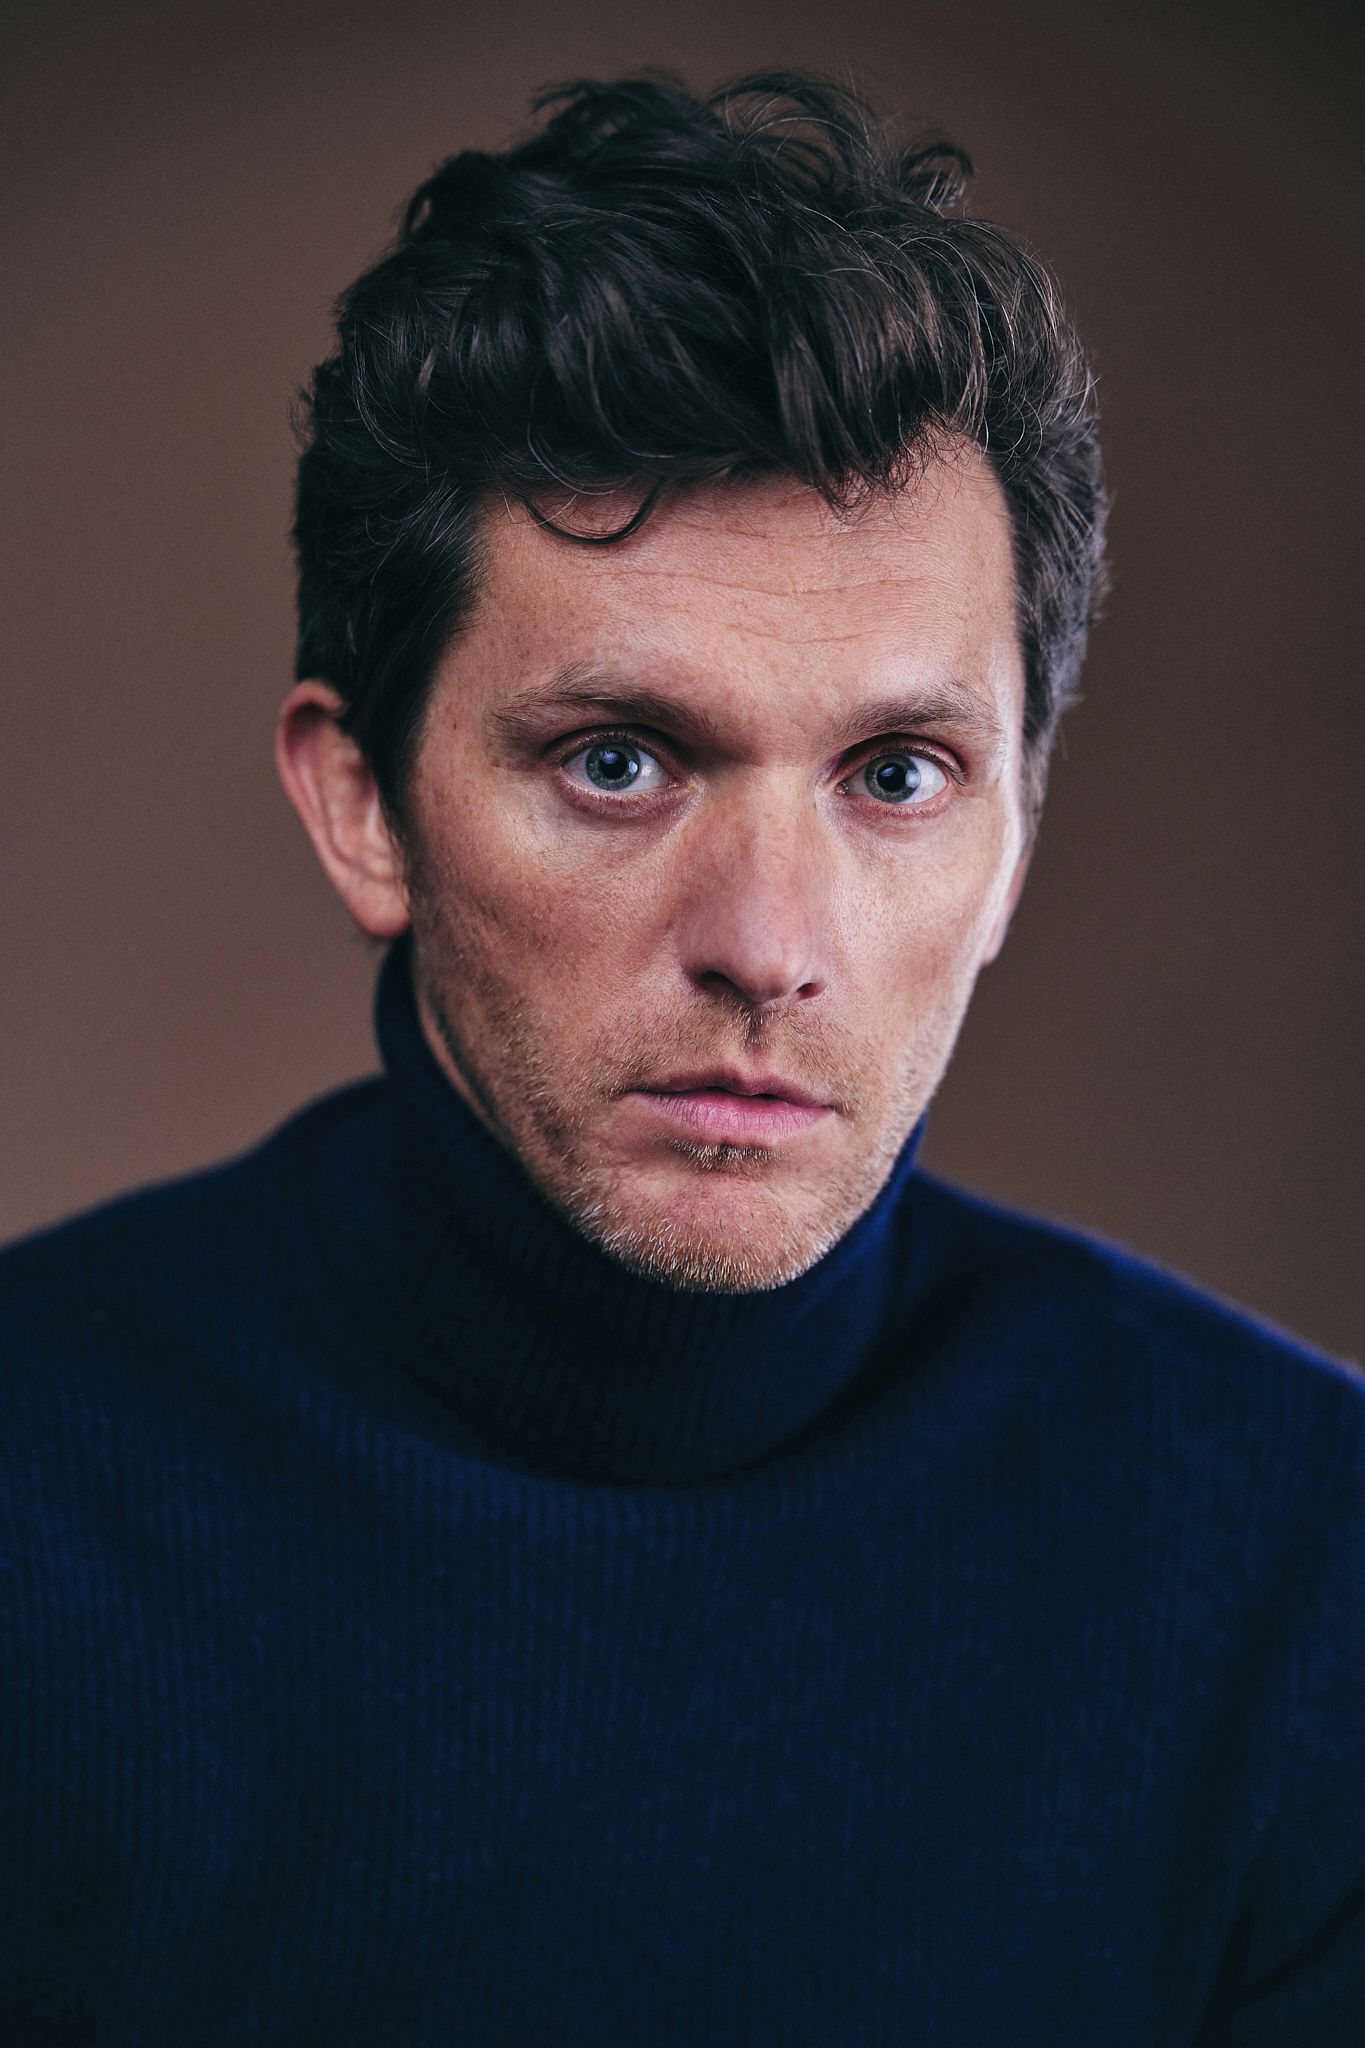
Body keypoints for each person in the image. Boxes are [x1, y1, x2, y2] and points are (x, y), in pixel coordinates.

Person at [1, 68, 1361, 2047]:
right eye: (618, 761)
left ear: (1013, 844)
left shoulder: (1306, 1583)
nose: (769, 946)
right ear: (363, 804)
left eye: (896, 775)